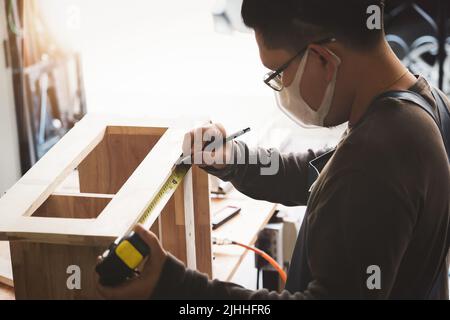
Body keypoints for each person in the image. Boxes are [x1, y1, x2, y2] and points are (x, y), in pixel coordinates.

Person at [97, 0, 450, 299]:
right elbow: (320, 172)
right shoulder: (422, 107)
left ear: (323, 59)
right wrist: (237, 159)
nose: (281, 89)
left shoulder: (377, 157)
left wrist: (174, 287)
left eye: (278, 74)